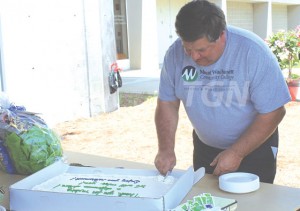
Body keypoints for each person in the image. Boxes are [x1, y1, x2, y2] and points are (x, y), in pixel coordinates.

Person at [154, 0, 291, 184]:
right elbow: (168, 103)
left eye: (201, 50)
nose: (194, 57)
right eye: (188, 49)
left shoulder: (253, 52)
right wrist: (165, 149)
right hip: (205, 148)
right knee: (208, 202)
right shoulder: (174, 54)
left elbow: (274, 111)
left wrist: (236, 152)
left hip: (254, 148)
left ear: (222, 36)